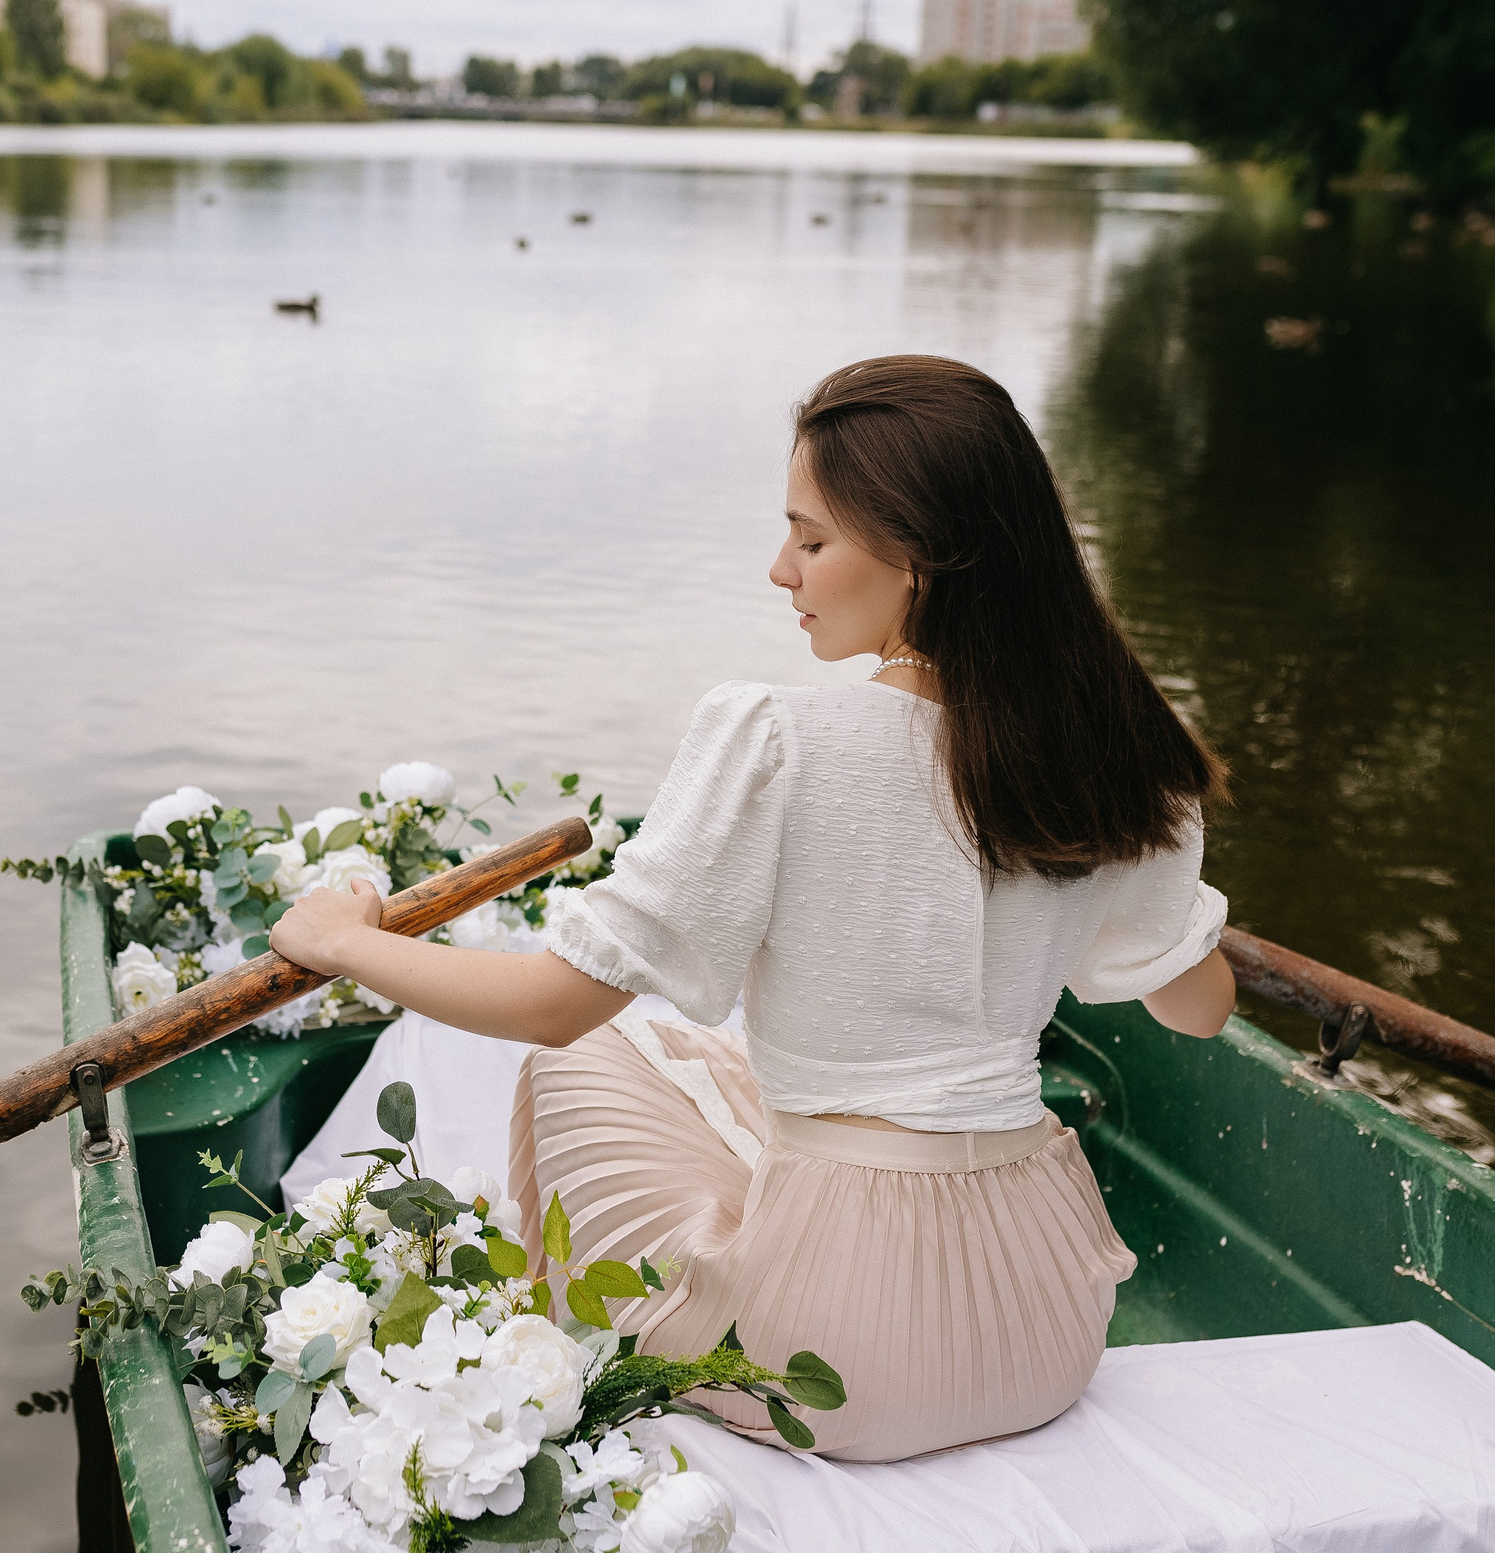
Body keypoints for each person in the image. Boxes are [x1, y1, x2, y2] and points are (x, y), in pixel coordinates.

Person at [270, 355, 1234, 1462]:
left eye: (810, 539)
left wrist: (345, 942)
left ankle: (552, 1355)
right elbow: (1199, 1010)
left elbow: (549, 1008)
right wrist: (1173, 909)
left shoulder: (780, 740)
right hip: (1046, 1325)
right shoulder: (1119, 761)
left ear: (919, 555)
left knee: (594, 1055)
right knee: (718, 1074)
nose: (781, 570)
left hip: (839, 1365)